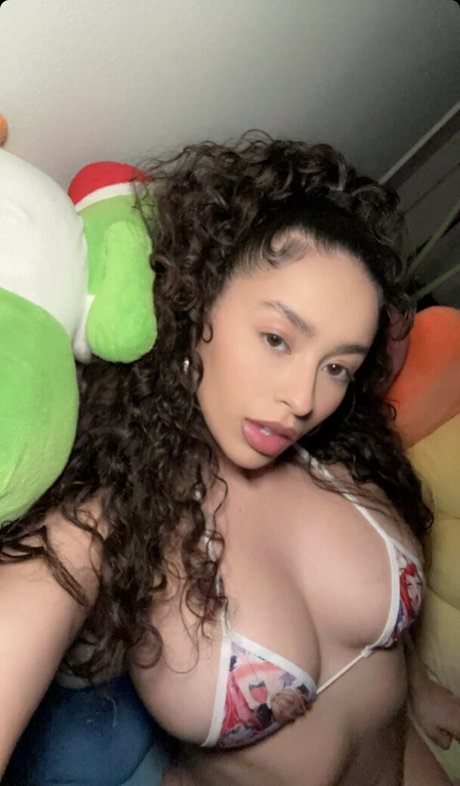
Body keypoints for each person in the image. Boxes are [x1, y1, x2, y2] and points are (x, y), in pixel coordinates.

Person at [0, 134, 458, 785]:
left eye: (338, 366)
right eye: (277, 338)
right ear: (194, 301)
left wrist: (419, 690)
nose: (304, 400)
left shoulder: (341, 455)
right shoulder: (103, 524)